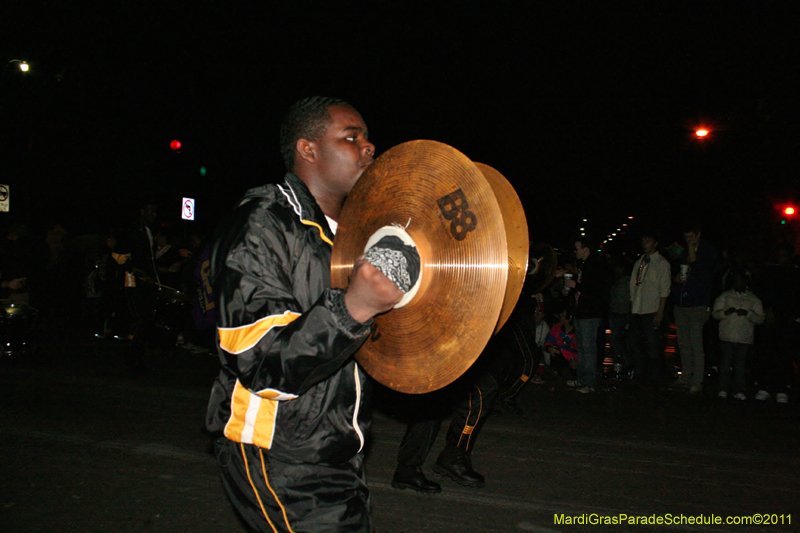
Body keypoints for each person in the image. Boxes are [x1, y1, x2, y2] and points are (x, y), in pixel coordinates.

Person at [206, 97, 402, 532]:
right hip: (279, 454)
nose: (369, 147)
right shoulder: (263, 223)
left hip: (337, 451)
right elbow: (257, 361)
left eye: (367, 138)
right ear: (308, 150)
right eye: (351, 138)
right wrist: (355, 307)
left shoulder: (352, 235)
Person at [671, 223, 718, 395]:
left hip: (698, 304)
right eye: (686, 238)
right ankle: (686, 376)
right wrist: (676, 279)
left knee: (696, 343)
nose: (688, 240)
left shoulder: (707, 251)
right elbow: (681, 271)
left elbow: (700, 270)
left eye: (691, 237)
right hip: (682, 303)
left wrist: (692, 249)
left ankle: (697, 381)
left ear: (698, 236)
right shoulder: (683, 253)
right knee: (683, 343)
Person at [563, 237, 610, 393]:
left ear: (586, 249)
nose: (575, 251)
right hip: (581, 311)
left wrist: (575, 285)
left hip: (590, 312)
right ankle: (581, 379)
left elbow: (594, 288)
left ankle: (589, 383)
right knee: (582, 347)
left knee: (588, 348)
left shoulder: (595, 264)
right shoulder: (585, 265)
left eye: (577, 248)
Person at [711, 269, 764, 400]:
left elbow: (760, 319)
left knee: (740, 366)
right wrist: (725, 313)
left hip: (744, 337)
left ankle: (739, 390)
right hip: (727, 336)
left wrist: (748, 314)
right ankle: (723, 388)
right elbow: (714, 314)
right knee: (725, 364)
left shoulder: (753, 299)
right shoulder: (725, 296)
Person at [628, 233, 671, 385]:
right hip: (637, 310)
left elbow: (664, 289)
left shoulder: (661, 263)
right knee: (638, 346)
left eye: (649, 240)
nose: (645, 243)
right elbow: (633, 285)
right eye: (644, 239)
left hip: (651, 309)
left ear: (655, 243)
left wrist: (660, 312)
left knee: (653, 347)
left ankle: (653, 378)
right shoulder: (640, 262)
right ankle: (639, 375)